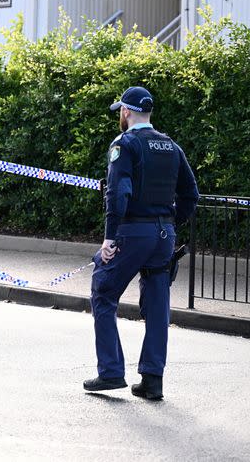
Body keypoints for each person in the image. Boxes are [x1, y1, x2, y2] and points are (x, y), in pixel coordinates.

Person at [83, 86, 198, 400]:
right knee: (158, 305)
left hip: (133, 232)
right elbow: (192, 194)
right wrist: (172, 221)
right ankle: (152, 380)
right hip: (164, 236)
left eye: (120, 110)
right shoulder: (171, 146)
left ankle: (110, 372)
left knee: (103, 292)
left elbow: (117, 193)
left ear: (126, 111)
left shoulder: (125, 143)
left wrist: (109, 237)